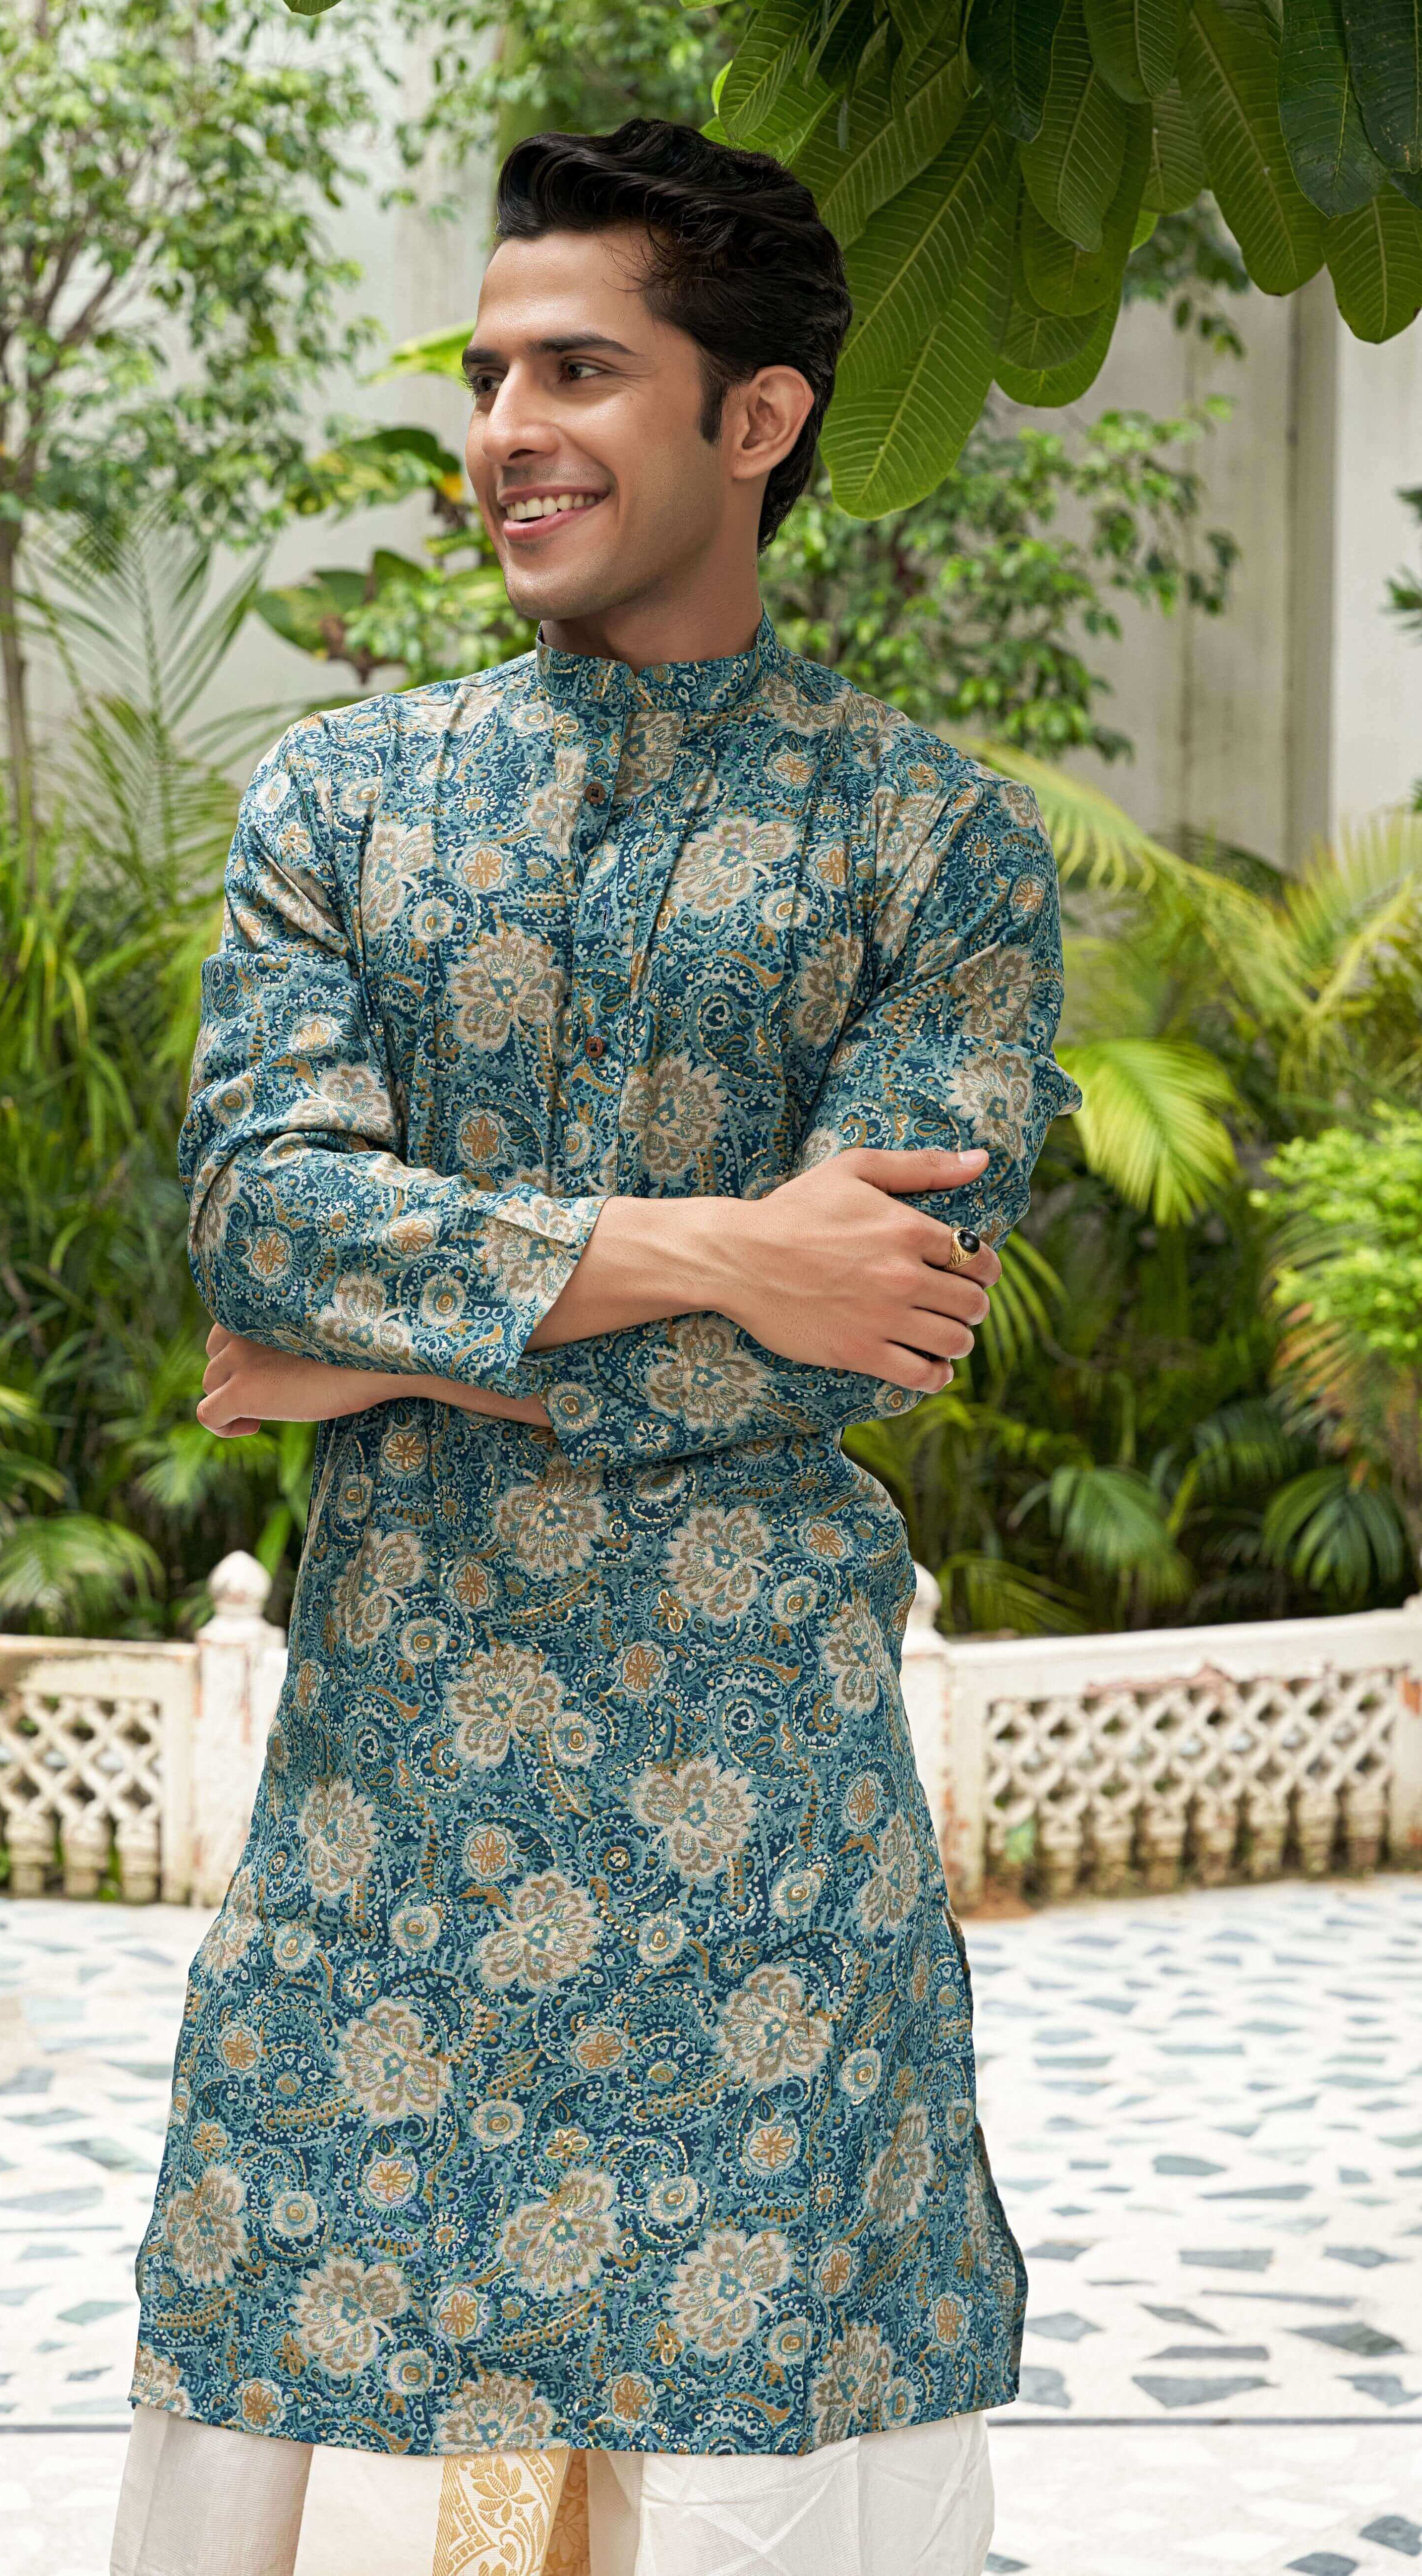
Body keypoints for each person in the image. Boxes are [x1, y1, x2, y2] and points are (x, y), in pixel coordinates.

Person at [112, 115, 1079, 2576]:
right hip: (387, 1800)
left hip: (754, 1812)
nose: (503, 430)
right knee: (259, 2398)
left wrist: (380, 1335)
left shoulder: (926, 843)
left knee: (778, 2449)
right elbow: (255, 1221)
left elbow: (873, 1329)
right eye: (485, 372)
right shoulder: (346, 797)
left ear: (748, 423)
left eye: (576, 368)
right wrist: (719, 1251)